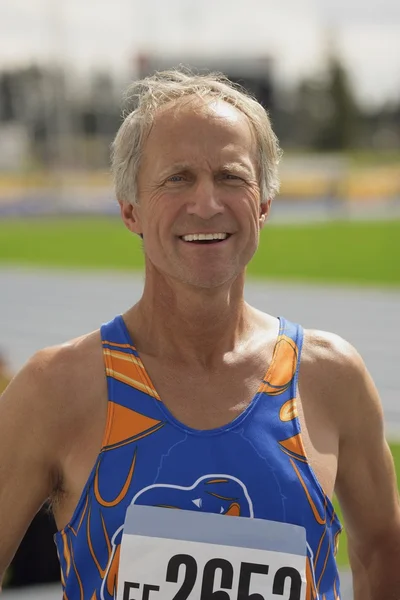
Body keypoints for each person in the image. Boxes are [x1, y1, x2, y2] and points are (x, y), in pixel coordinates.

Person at [0, 68, 399, 600]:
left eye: (232, 177)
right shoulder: (55, 390)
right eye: (177, 178)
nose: (207, 204)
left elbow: (381, 557)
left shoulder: (332, 378)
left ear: (263, 204)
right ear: (129, 209)